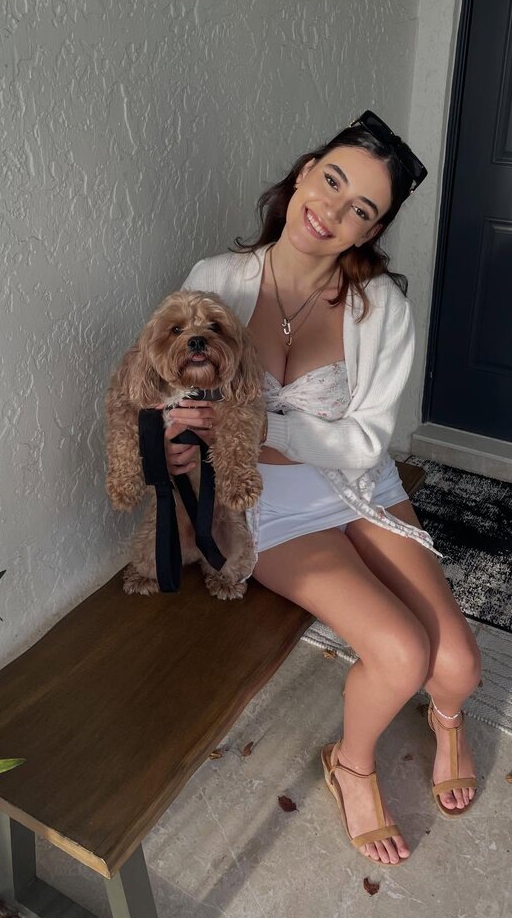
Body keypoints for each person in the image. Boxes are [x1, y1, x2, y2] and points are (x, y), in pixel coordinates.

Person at [164, 111, 481, 867]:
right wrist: (179, 449)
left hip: (360, 485)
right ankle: (352, 765)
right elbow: (175, 395)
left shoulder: (381, 307)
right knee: (400, 653)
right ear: (306, 171)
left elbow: (366, 441)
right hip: (269, 507)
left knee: (458, 669)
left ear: (372, 230)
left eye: (361, 209)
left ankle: (447, 721)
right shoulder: (215, 280)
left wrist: (251, 427)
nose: (332, 211)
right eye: (331, 181)